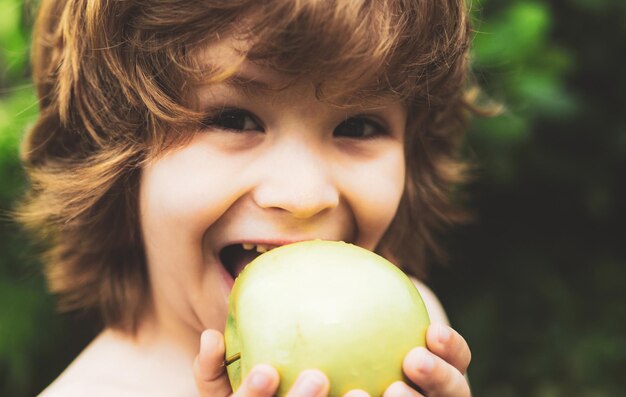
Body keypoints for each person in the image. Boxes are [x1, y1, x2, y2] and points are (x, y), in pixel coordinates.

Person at [19, 0, 474, 396]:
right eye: (234, 119)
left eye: (358, 127)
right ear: (117, 154)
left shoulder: (415, 331)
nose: (304, 196)